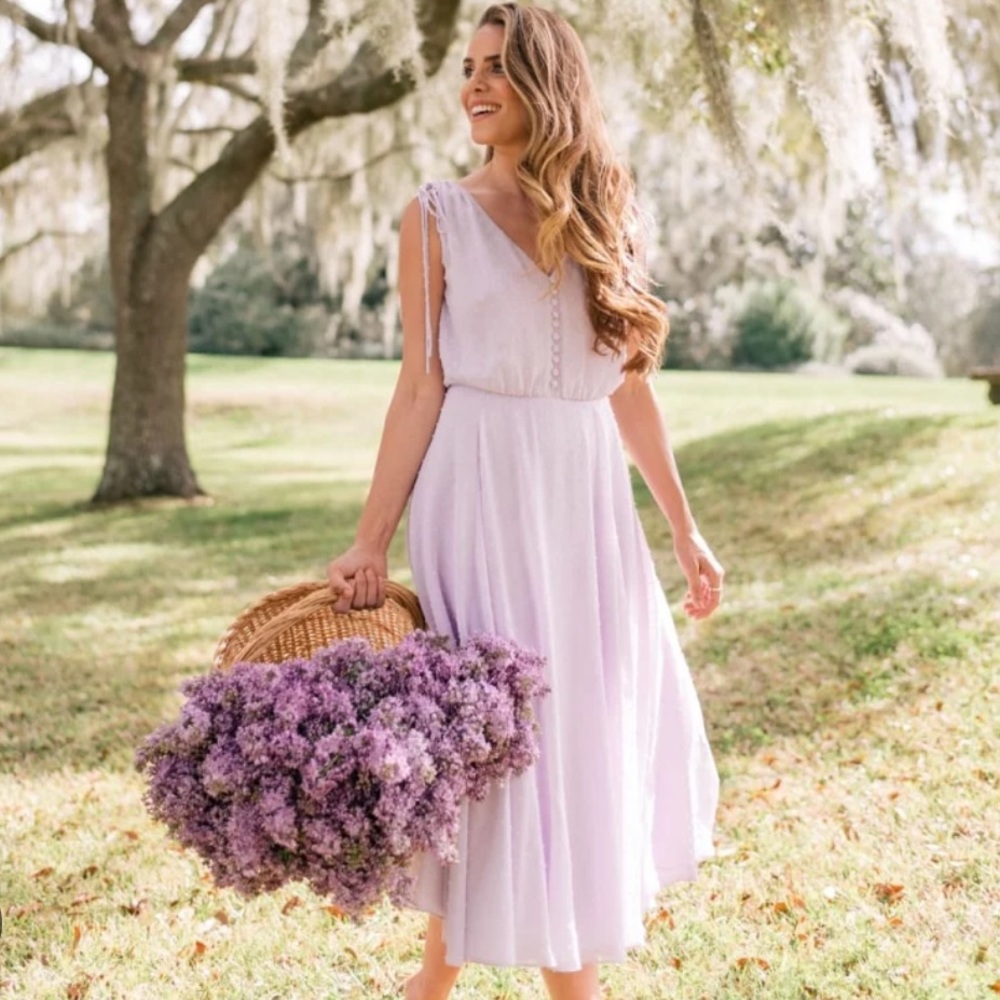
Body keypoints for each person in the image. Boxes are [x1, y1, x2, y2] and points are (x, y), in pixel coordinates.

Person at [326, 4, 722, 998]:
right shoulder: (436, 213)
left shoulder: (604, 211)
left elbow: (628, 383)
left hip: (584, 500)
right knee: (494, 731)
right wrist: (370, 540)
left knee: (574, 728)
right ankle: (484, 980)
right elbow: (420, 383)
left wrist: (683, 527)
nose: (473, 85)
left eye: (497, 67)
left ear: (546, 80)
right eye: (467, 67)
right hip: (480, 489)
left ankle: (445, 983)